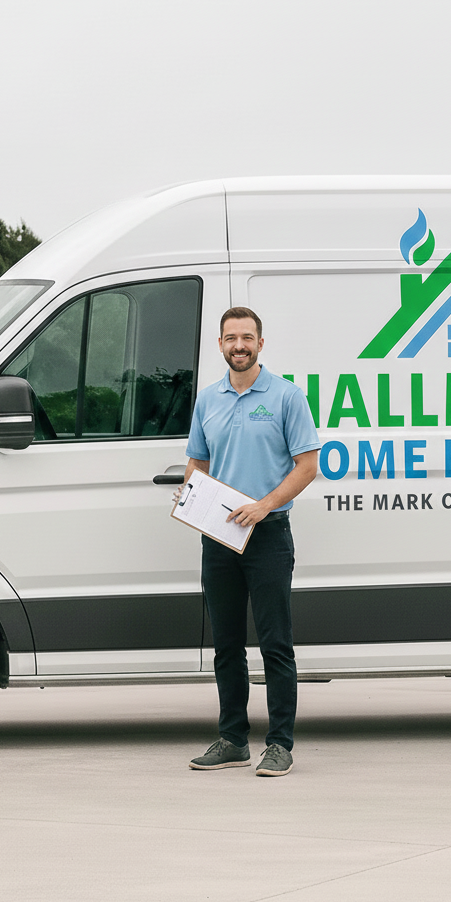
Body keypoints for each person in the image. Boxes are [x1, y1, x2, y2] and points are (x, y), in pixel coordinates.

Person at [179, 307, 319, 777]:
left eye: (247, 337)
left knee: (275, 644)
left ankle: (280, 744)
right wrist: (191, 497)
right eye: (230, 338)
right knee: (226, 645)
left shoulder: (285, 397)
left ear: (261, 343)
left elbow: (306, 466)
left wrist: (262, 506)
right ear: (220, 345)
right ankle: (233, 739)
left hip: (268, 535)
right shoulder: (208, 400)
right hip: (219, 538)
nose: (238, 345)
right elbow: (198, 461)